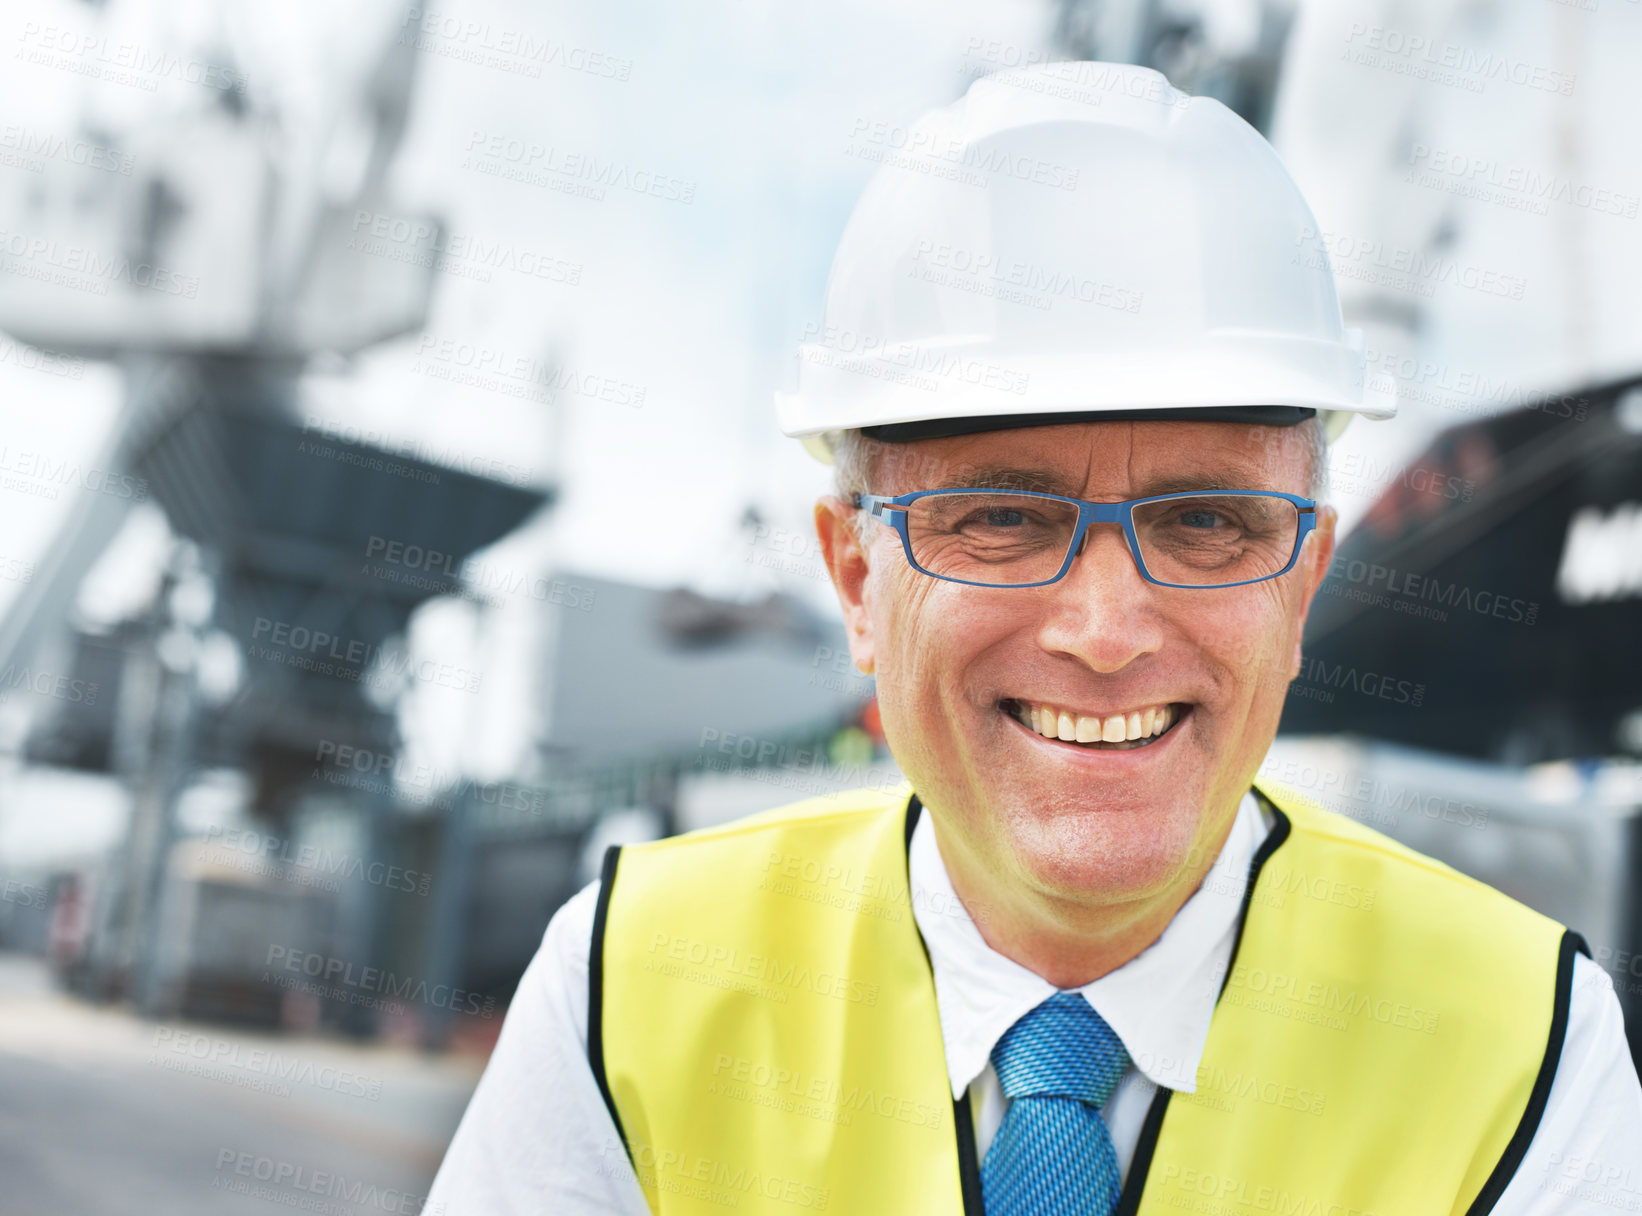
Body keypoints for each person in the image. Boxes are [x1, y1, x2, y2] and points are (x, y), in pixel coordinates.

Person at [426, 62, 1642, 1214]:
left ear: (1304, 583)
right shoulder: (627, 988)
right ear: (857, 576)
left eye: (1208, 520)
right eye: (1001, 518)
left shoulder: (1523, 1042)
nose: (1107, 633)